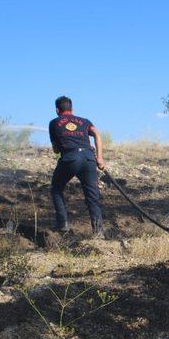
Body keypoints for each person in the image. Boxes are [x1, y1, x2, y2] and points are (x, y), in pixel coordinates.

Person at [49, 96, 106, 237]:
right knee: (93, 196)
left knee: (56, 188)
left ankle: (62, 225)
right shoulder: (85, 121)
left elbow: (56, 150)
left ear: (57, 110)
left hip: (70, 159)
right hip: (88, 158)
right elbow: (97, 135)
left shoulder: (54, 123)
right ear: (72, 109)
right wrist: (100, 157)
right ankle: (98, 232)